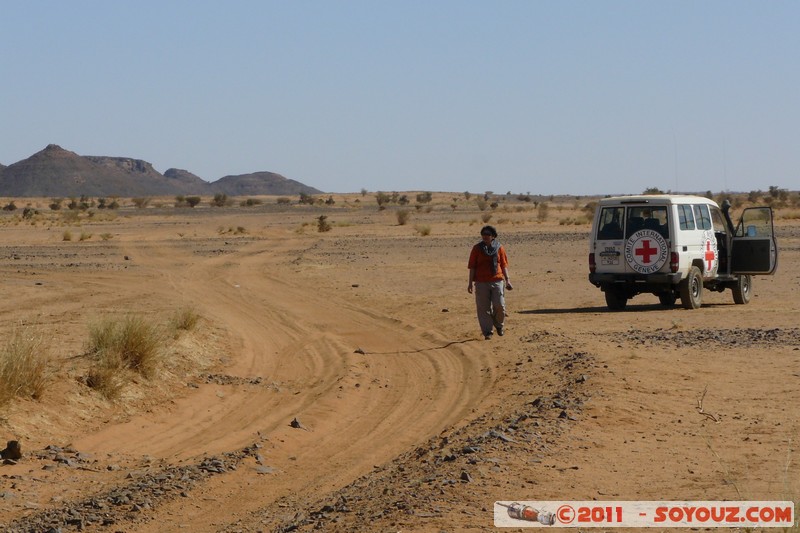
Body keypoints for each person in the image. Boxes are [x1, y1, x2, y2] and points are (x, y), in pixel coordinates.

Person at [467, 225, 513, 340]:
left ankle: (499, 325)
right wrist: (470, 283)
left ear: (493, 236)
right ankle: (488, 332)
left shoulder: (499, 248)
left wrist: (508, 280)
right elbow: (472, 267)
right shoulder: (477, 248)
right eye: (483, 234)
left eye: (488, 234)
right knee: (483, 308)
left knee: (500, 305)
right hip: (481, 282)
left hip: (497, 280)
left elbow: (503, 265)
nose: (485, 236)